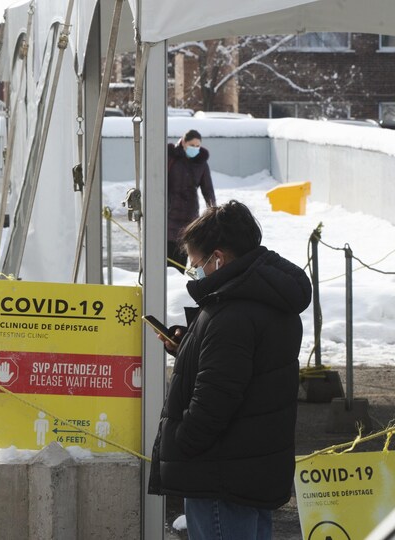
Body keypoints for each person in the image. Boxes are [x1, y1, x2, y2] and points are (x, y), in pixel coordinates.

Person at [147, 200, 312, 540]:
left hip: (219, 476)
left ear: (218, 258)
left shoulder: (232, 313)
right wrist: (190, 349)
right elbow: (243, 373)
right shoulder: (269, 300)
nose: (193, 270)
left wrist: (180, 442)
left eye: (196, 263)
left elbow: (216, 398)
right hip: (251, 469)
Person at [167, 129, 216, 271]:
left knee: (182, 256)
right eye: (192, 145)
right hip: (169, 215)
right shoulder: (171, 158)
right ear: (183, 142)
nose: (195, 148)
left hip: (189, 215)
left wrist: (212, 211)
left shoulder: (201, 163)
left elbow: (208, 190)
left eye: (197, 146)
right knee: (169, 258)